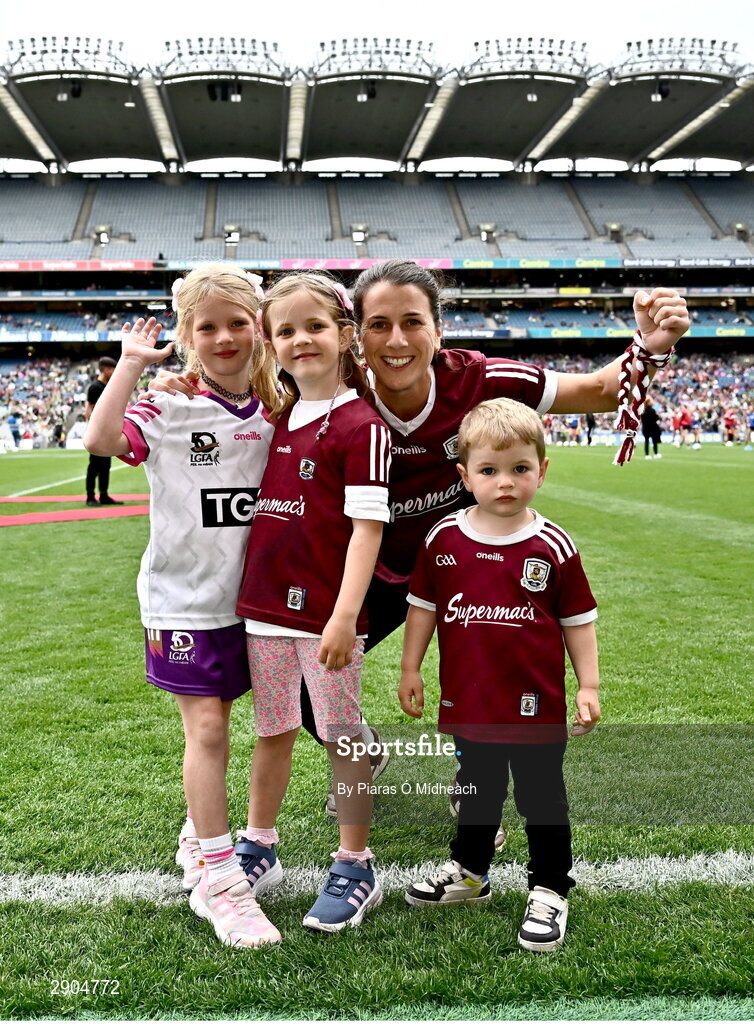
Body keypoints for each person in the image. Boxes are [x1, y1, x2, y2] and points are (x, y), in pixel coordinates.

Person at [150, 261, 688, 813]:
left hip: (464, 562)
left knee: (487, 665)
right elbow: (237, 385)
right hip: (369, 567)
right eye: (379, 324)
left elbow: (600, 389)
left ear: (438, 329)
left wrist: (652, 344)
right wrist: (182, 382)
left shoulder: (481, 380)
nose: (397, 339)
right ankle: (364, 752)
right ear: (355, 335)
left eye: (413, 321)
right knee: (314, 689)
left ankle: (473, 780)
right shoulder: (325, 390)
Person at [84, 264, 282, 950]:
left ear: (260, 327)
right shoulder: (166, 405)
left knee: (270, 726)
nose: (224, 336)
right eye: (207, 326)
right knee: (209, 731)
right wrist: (130, 368)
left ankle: (203, 834)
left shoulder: (281, 409)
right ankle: (222, 882)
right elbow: (101, 443)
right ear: (187, 336)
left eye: (237, 322)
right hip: (186, 603)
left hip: (259, 604)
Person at [398, 397, 600, 952]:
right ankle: (470, 873)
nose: (504, 483)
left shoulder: (552, 545)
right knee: (476, 791)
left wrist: (588, 685)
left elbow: (577, 621)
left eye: (519, 469)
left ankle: (551, 887)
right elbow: (423, 607)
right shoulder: (443, 539)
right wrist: (411, 666)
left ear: (542, 469)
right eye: (488, 471)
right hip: (470, 700)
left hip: (534, 703)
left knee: (542, 797)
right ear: (464, 475)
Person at [234, 272, 391, 934]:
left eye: (315, 327)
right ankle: (259, 845)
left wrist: (345, 615)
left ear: (346, 335)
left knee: (341, 734)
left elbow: (367, 530)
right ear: (272, 343)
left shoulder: (362, 424)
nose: (301, 340)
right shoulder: (277, 416)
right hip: (264, 610)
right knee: (272, 729)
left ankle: (356, 863)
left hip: (325, 615)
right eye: (286, 331)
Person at [85, 356, 123, 507]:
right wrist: (92, 430)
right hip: (98, 432)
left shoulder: (107, 387)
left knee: (105, 466)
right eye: (112, 369)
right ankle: (90, 497)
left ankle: (104, 495)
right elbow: (88, 409)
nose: (114, 372)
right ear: (106, 369)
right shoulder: (95, 388)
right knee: (94, 466)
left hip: (107, 431)